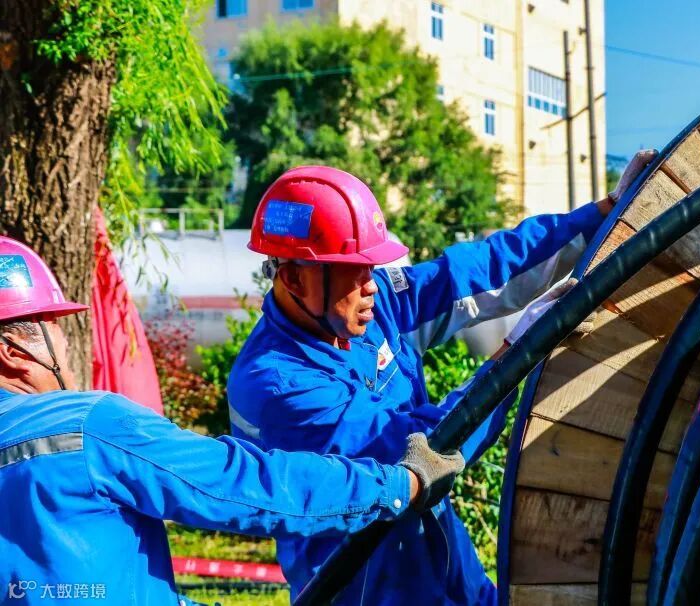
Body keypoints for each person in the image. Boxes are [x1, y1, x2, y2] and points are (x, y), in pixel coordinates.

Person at [228, 154, 656, 605]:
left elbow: (472, 272)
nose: (371, 284)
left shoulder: (369, 311)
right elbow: (423, 452)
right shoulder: (277, 387)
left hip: (451, 575)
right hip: (375, 593)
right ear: (296, 279)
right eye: (354, 271)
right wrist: (521, 350)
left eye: (371, 268)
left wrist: (602, 214)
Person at [0, 236, 464, 605]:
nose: (66, 345)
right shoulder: (85, 428)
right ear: (13, 352)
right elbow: (241, 484)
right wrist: (398, 484)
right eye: (54, 327)